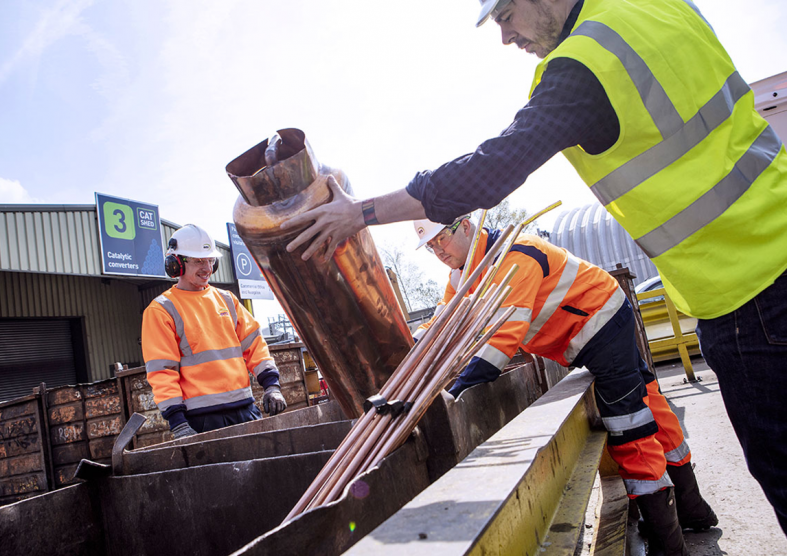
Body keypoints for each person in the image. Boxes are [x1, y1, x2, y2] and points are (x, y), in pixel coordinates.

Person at [282, 0, 787, 539]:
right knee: (649, 406)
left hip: (745, 295)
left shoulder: (584, 65)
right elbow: (451, 328)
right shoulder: (656, 7)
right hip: (768, 247)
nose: (505, 38)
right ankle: (687, 505)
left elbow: (489, 173)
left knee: (642, 421)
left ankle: (670, 530)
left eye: (505, 16)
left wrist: (359, 213)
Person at [413, 214, 715, 554]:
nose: (438, 250)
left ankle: (668, 542)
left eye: (442, 238)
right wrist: (412, 340)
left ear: (466, 226)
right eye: (430, 246)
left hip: (600, 322)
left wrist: (453, 391)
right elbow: (445, 316)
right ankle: (692, 510)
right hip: (582, 334)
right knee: (649, 400)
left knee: (628, 426)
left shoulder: (515, 256)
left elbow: (501, 344)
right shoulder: (462, 276)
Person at [142, 224, 287, 440]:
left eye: (210, 260)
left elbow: (255, 346)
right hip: (201, 421)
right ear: (177, 264)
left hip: (245, 410)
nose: (207, 268)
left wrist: (272, 386)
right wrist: (178, 423)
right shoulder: (161, 310)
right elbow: (163, 372)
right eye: (198, 260)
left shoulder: (227, 300)